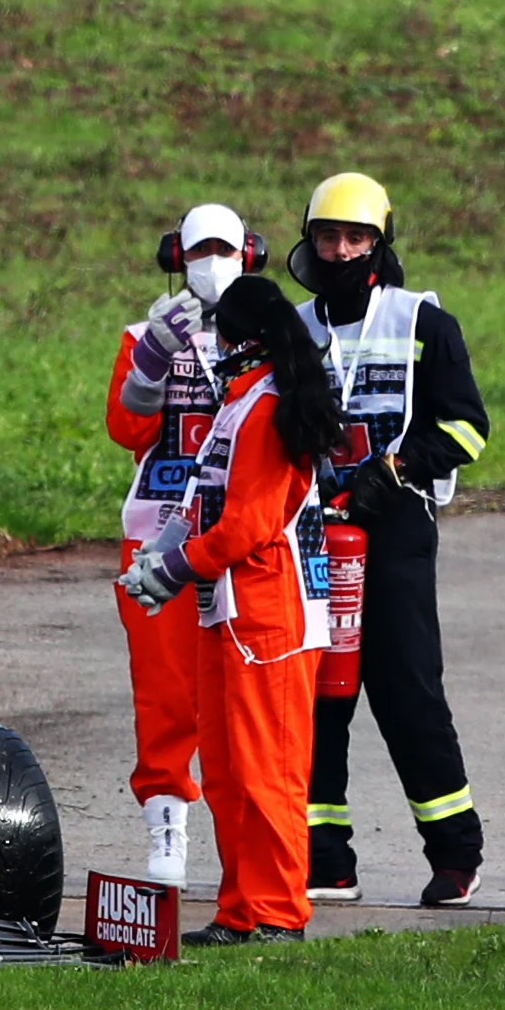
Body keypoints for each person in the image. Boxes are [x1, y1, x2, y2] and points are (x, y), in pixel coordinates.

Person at [285, 173, 491, 908]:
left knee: (406, 689)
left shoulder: (424, 323)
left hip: (396, 525)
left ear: (379, 243)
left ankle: (456, 854)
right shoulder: (295, 330)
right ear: (308, 241)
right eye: (327, 236)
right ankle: (325, 858)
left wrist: (395, 469)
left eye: (355, 237)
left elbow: (467, 427)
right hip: (311, 531)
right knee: (314, 695)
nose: (340, 250)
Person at [121, 276, 341, 946]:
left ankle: (277, 913)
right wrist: (161, 553)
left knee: (265, 770)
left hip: (270, 615)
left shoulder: (272, 407)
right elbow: (199, 502)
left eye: (220, 331)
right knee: (224, 771)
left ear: (241, 338)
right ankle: (241, 908)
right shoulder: (237, 405)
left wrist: (178, 567)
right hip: (228, 611)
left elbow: (247, 524)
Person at [104, 204, 265, 884]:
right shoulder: (144, 333)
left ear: (248, 255)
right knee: (166, 697)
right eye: (200, 250)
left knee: (242, 701)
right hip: (155, 536)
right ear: (178, 256)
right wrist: (152, 358)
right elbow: (124, 428)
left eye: (225, 249)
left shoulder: (270, 334)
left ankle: (251, 849)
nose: (212, 261)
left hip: (237, 539)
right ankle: (166, 828)